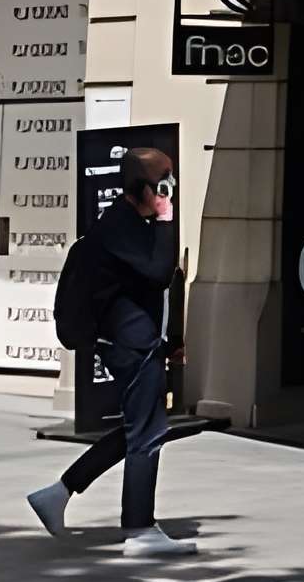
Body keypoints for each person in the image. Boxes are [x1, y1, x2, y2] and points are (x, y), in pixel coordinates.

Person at [28, 147, 189, 558]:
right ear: (144, 188)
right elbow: (157, 273)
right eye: (164, 184)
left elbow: (152, 285)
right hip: (131, 347)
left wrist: (171, 340)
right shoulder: (120, 228)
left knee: (140, 429)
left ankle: (58, 493)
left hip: (140, 342)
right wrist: (168, 220)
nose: (169, 192)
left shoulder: (131, 223)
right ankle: (139, 530)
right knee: (148, 435)